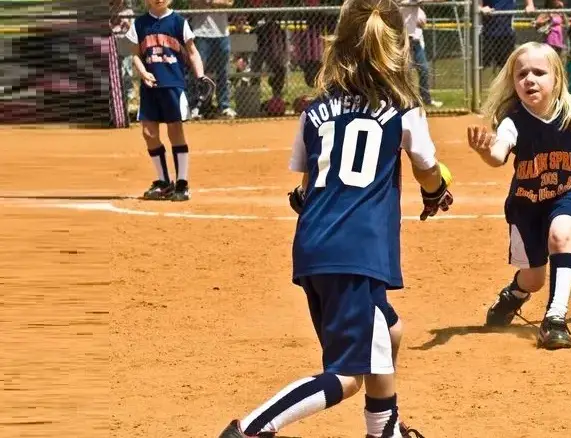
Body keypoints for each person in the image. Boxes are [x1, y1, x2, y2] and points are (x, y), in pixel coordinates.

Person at [216, 0, 454, 436]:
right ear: (398, 51)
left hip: (315, 246)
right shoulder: (404, 107)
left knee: (389, 329)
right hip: (358, 251)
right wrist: (437, 190)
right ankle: (250, 428)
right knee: (345, 376)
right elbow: (426, 169)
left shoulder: (314, 110)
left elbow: (307, 186)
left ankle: (385, 429)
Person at [467, 42, 571, 350]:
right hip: (526, 204)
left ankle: (555, 318)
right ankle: (515, 294)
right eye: (522, 73)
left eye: (539, 72)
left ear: (556, 79)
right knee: (534, 278)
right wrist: (486, 152)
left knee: (561, 235)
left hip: (568, 191)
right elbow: (499, 155)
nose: (530, 79)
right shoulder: (513, 121)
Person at [126, 0, 210, 201]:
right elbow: (135, 55)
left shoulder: (178, 22)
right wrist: (144, 73)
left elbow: (192, 52)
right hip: (150, 86)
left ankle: (182, 184)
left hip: (173, 84)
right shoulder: (139, 24)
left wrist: (200, 75)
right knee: (148, 133)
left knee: (175, 132)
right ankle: (164, 182)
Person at [401, 0, 443, 107]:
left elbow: (422, 22)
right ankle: (406, 101)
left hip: (416, 42)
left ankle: (426, 100)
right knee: (406, 72)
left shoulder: (418, 7)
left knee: (424, 69)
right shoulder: (400, 3)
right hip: (403, 41)